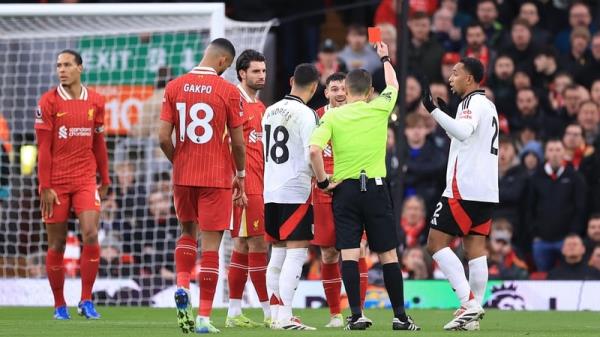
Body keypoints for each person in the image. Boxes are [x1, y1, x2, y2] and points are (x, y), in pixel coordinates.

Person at [310, 42, 420, 331]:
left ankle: (356, 315)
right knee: (387, 255)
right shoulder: (379, 108)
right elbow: (394, 82)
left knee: (348, 253)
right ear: (370, 92)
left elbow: (313, 151)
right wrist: (384, 55)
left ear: (345, 91)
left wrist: (323, 181)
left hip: (344, 191)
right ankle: (400, 317)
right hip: (374, 188)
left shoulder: (331, 115)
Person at [158, 38, 246, 334]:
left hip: (184, 175)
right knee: (211, 247)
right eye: (229, 66)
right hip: (217, 177)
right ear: (222, 61)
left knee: (186, 232)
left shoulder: (174, 86)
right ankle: (205, 318)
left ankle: (182, 284)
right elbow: (237, 142)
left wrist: (178, 162)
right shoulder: (228, 91)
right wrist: (242, 174)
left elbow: (162, 137)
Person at [422, 57, 499, 330]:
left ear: (470, 79)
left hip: (463, 187)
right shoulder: (488, 105)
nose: (451, 78)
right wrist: (447, 116)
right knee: (475, 250)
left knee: (435, 243)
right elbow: (468, 136)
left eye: (456, 73)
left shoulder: (471, 103)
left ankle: (469, 303)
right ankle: (472, 320)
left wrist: (434, 111)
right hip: (487, 190)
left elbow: (463, 133)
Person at [34, 49, 111, 320]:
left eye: (67, 65)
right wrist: (44, 185)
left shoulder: (97, 101)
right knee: (56, 245)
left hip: (85, 179)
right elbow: (43, 149)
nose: (61, 70)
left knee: (90, 234)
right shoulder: (48, 102)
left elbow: (99, 143)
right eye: (58, 65)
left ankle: (86, 300)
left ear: (80, 67)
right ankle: (59, 305)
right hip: (55, 183)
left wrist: (106, 177)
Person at [262, 63, 319, 330]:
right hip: (295, 190)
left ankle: (275, 315)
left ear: (291, 81)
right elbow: (312, 152)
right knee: (296, 254)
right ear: (315, 87)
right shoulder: (306, 114)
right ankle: (285, 317)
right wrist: (324, 180)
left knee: (278, 253)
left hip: (270, 190)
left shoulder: (269, 111)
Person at [225, 49, 270, 328]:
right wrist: (235, 179)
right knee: (256, 244)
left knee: (243, 244)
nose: (261, 75)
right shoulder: (234, 102)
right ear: (242, 73)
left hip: (260, 183)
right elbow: (225, 143)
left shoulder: (260, 106)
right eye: (256, 71)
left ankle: (233, 312)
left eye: (263, 71)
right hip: (244, 185)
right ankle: (269, 312)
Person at [526, 139, 587, 272]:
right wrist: (534, 234)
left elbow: (581, 207)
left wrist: (574, 233)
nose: (555, 154)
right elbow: (528, 209)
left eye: (558, 150)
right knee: (543, 277)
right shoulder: (535, 178)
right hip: (541, 240)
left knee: (569, 275)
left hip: (567, 240)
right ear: (546, 154)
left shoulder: (575, 177)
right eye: (551, 150)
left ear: (564, 153)